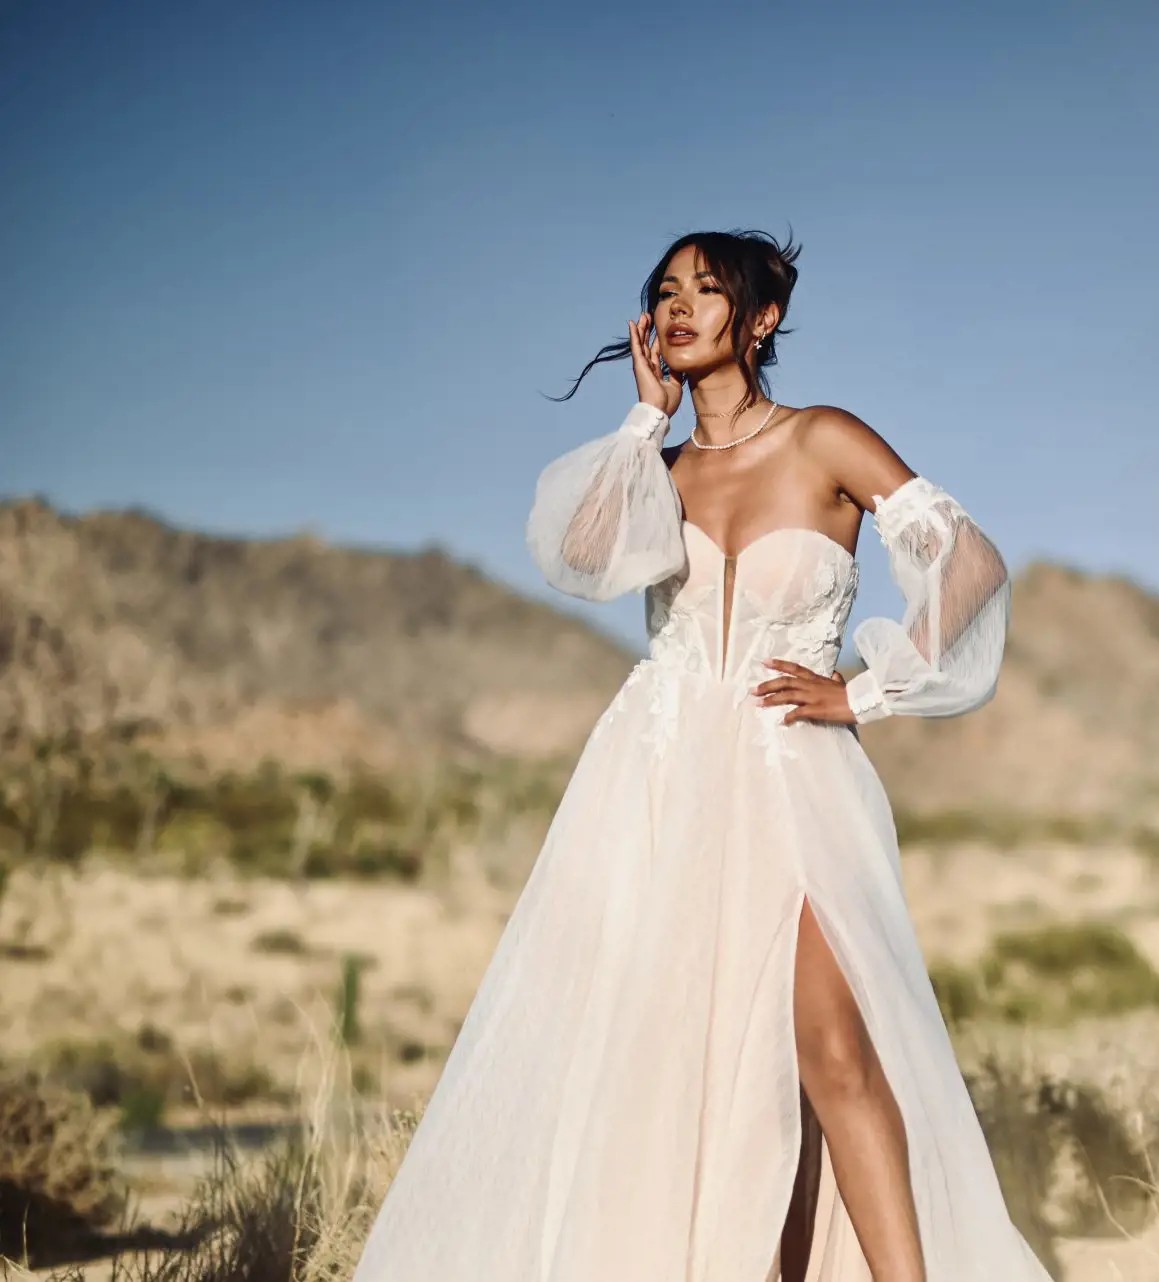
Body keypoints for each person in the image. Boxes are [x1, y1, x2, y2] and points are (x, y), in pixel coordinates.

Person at [349, 229, 1053, 1282]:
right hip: (660, 783)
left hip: (792, 780)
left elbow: (971, 567)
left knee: (834, 1056)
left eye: (707, 291)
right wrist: (643, 418)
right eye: (665, 291)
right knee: (690, 1072)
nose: (679, 308)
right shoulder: (658, 469)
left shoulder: (825, 440)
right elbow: (579, 556)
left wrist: (865, 692)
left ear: (760, 320)